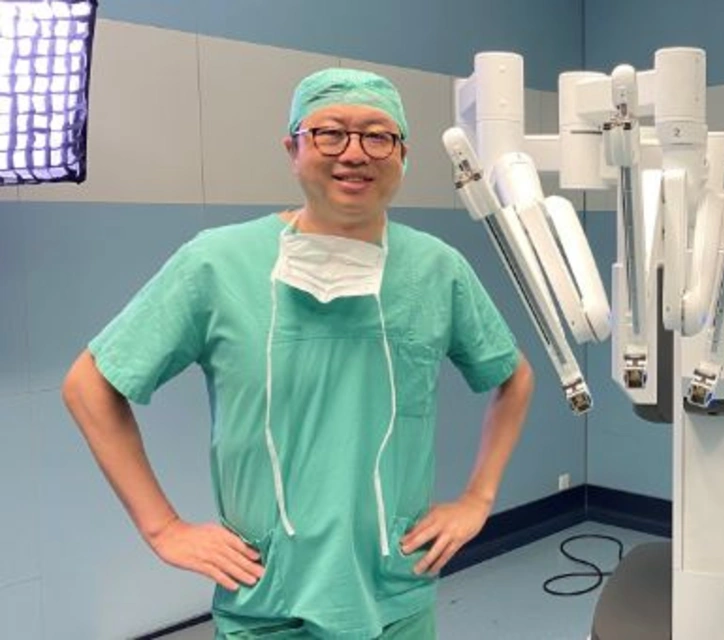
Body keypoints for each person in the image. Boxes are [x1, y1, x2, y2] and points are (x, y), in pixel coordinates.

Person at [61, 68, 534, 639]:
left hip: (395, 595)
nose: (354, 153)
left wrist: (478, 498)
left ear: (403, 156)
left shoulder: (436, 269)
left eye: (378, 136)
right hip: (267, 600)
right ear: (293, 149)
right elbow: (90, 384)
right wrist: (164, 528)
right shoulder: (216, 263)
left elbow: (513, 376)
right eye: (330, 133)